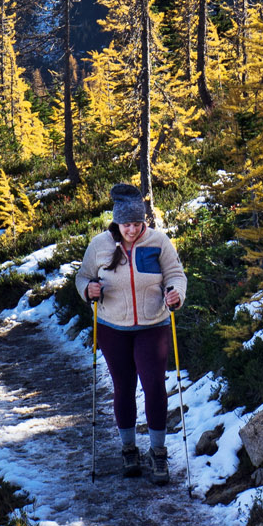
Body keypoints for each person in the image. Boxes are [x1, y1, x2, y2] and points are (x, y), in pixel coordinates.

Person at [75, 182, 186, 484]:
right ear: (117, 221)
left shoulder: (159, 242)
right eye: (126, 223)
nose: (132, 229)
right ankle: (129, 449)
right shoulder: (99, 245)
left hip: (153, 325)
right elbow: (83, 276)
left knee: (154, 386)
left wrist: (175, 292)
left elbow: (175, 274)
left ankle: (159, 453)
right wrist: (88, 289)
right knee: (123, 387)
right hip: (113, 328)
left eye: (137, 223)